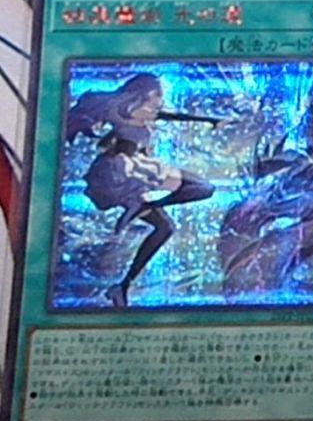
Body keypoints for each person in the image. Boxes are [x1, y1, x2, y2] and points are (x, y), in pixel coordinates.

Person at [65, 74, 222, 307]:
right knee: (203, 187)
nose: (160, 101)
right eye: (156, 95)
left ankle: (121, 287)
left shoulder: (144, 112)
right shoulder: (123, 112)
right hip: (126, 170)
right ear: (142, 94)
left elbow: (173, 116)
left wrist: (210, 119)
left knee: (165, 228)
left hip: (131, 173)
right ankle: (145, 206)